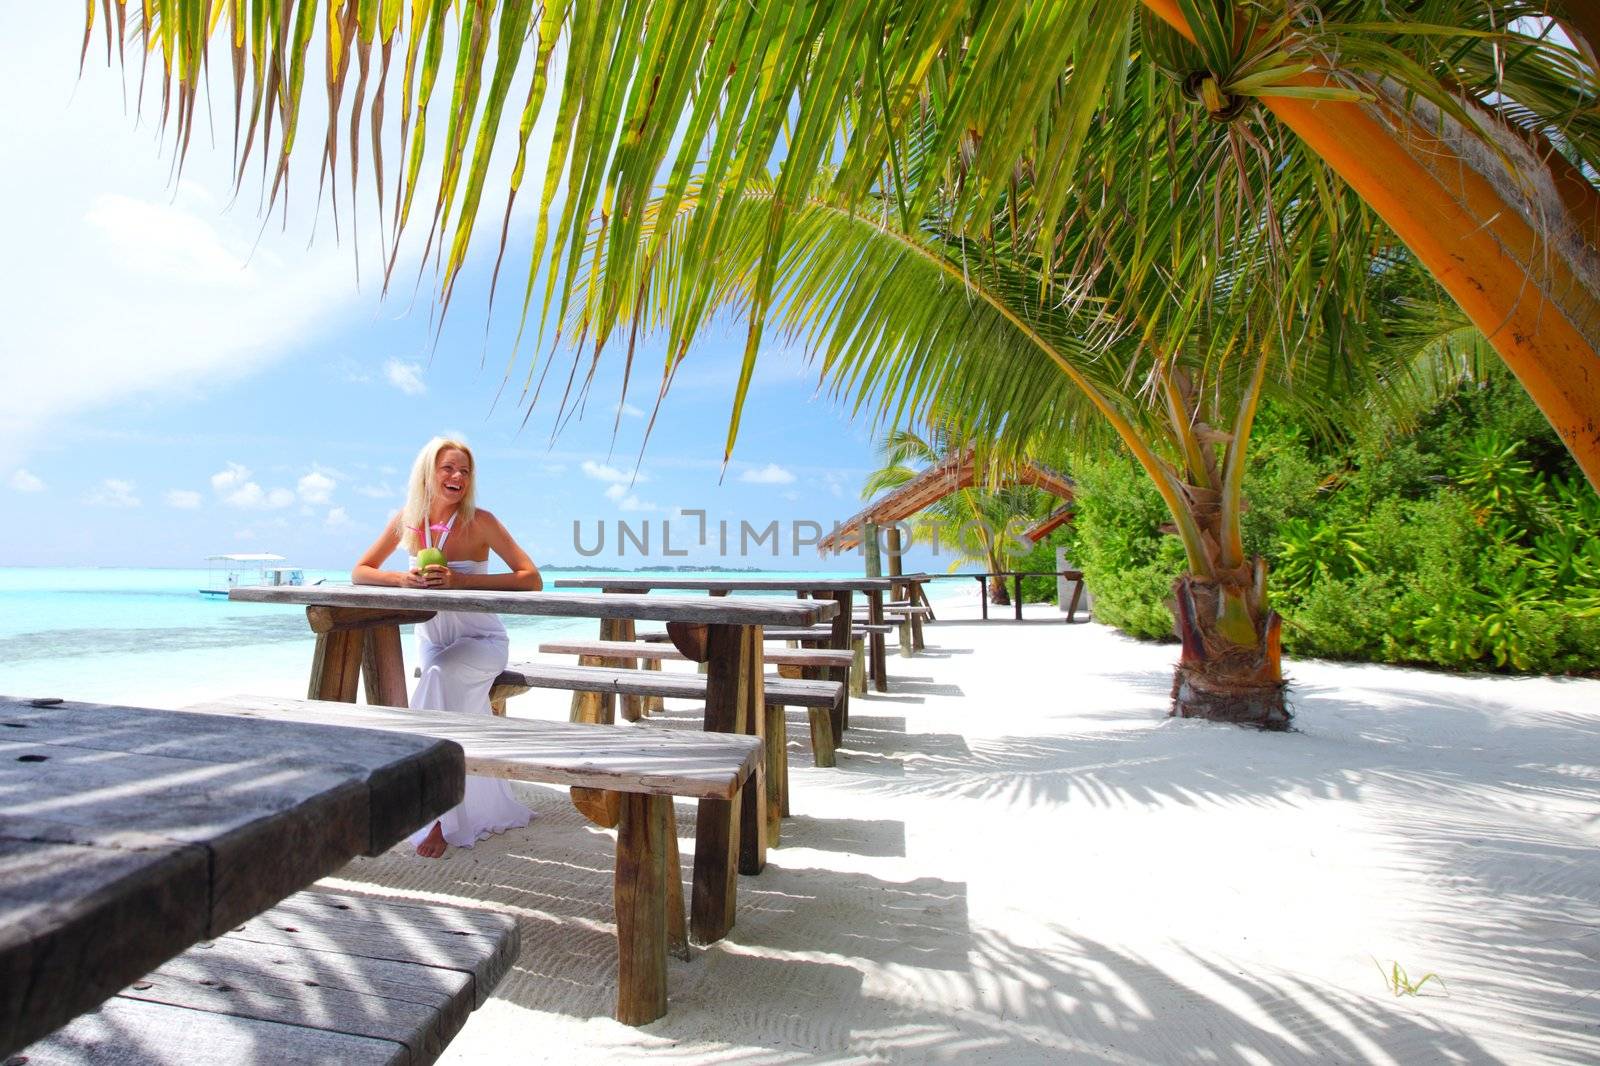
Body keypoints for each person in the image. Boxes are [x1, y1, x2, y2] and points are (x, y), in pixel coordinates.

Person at [353, 436, 543, 858]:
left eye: (465, 470)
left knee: (437, 683)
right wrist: (401, 579)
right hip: (434, 644)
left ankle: (433, 815)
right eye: (448, 468)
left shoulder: (481, 521)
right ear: (428, 473)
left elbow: (532, 578)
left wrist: (461, 581)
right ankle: (447, 804)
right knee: (444, 692)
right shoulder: (408, 521)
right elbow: (360, 570)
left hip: (482, 642)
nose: (457, 476)